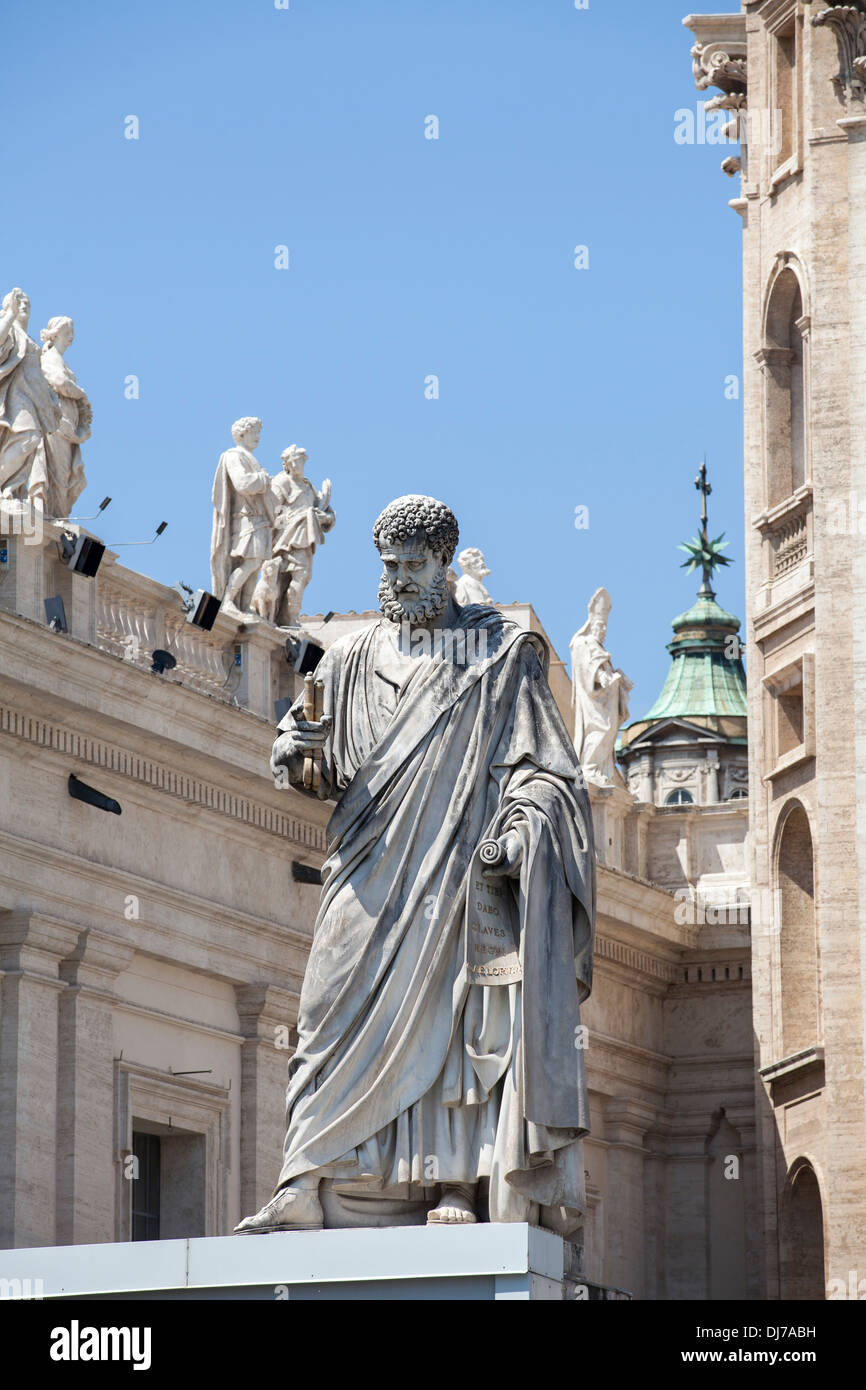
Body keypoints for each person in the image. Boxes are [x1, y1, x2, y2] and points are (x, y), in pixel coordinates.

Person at [236, 494, 595, 1236]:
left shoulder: (496, 657)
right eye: (389, 566)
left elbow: (550, 774)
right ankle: (308, 1176)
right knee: (322, 1009)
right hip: (366, 869)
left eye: (413, 565)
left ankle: (452, 1184)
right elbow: (317, 759)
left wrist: (525, 827)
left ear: (443, 563)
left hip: (457, 875)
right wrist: (295, 758)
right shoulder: (350, 658)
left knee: (452, 1016)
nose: (398, 579)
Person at [0, 289, 61, 499]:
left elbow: (37, 375)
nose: (24, 305)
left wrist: (52, 399)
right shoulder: (10, 331)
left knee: (31, 440)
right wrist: (8, 315)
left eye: (27, 303)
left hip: (31, 400)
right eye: (19, 303)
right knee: (29, 436)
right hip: (14, 399)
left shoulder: (28, 338)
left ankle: (10, 488)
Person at [210, 417, 272, 618]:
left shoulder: (251, 458)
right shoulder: (233, 456)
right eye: (255, 432)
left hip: (259, 519)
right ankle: (227, 600)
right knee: (251, 562)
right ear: (242, 434)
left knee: (256, 564)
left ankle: (244, 607)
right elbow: (242, 483)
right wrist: (263, 480)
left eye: (259, 433)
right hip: (245, 519)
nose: (259, 437)